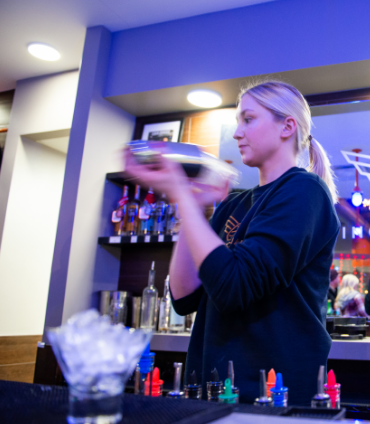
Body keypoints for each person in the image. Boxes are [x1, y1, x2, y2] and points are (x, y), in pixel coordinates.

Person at [125, 80, 340, 404]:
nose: (237, 133)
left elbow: (233, 285)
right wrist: (193, 207)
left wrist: (180, 191)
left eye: (248, 119)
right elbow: (184, 297)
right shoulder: (233, 204)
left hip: (271, 395)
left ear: (287, 126)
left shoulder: (305, 191)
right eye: (237, 121)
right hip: (212, 388)